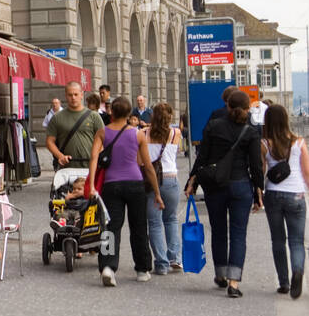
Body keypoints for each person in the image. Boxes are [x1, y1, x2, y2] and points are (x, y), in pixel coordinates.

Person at [186, 89, 264, 297]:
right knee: (238, 234)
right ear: (247, 108)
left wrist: (192, 182)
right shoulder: (251, 132)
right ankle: (234, 283)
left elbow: (202, 158)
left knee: (219, 231)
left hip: (215, 186)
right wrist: (259, 191)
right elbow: (256, 166)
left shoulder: (214, 126)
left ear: (227, 106)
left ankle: (220, 274)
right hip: (241, 185)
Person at [87, 97, 164, 285]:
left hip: (111, 185)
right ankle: (142, 269)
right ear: (130, 114)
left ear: (111, 112)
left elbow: (94, 158)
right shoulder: (138, 135)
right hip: (135, 184)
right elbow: (148, 167)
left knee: (110, 228)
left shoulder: (102, 132)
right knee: (139, 227)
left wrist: (91, 186)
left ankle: (107, 267)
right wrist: (157, 193)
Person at [260, 104, 308, 298]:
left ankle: (284, 282)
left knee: (278, 240)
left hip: (273, 194)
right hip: (296, 194)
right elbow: (306, 171)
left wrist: (258, 193)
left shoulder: (264, 144)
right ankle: (297, 270)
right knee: (296, 240)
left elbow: (261, 171)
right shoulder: (299, 142)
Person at [144, 104, 183, 275]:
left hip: (152, 179)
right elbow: (177, 151)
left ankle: (161, 264)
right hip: (171, 178)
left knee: (154, 223)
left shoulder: (144, 133)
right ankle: (175, 258)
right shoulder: (176, 133)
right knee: (171, 219)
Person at [45, 81, 104, 171]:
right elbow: (49, 142)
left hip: (91, 168)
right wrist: (60, 156)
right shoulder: (57, 118)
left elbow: (103, 141)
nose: (73, 98)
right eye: (70, 95)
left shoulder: (94, 116)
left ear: (81, 95)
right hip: (66, 168)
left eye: (76, 94)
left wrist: (98, 159)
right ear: (66, 96)